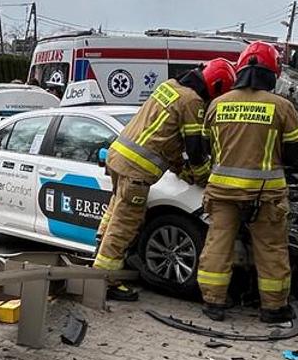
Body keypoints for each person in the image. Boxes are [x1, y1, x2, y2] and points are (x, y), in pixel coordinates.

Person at [93, 58, 234, 300]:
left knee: (116, 210)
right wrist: (203, 177)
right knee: (125, 224)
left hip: (118, 157)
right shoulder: (193, 102)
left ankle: (99, 250)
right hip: (137, 170)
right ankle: (105, 281)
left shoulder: (169, 86)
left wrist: (181, 168)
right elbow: (195, 149)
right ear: (216, 87)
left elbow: (167, 139)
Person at [196, 42, 298, 325]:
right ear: (273, 73)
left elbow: (206, 148)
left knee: (218, 244)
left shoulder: (217, 104)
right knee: (271, 249)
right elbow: (295, 155)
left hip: (222, 191)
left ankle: (213, 302)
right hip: (265, 195)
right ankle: (273, 308)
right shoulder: (282, 107)